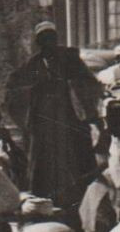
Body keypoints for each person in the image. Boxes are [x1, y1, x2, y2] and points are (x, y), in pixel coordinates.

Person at [6, 21, 104, 209]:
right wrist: (36, 92)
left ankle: (82, 204)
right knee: (45, 165)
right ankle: (48, 202)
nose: (48, 43)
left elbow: (88, 84)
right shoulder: (33, 65)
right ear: (39, 42)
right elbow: (15, 89)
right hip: (44, 126)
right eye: (44, 39)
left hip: (70, 121)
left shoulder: (69, 58)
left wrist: (74, 89)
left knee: (77, 162)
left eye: (51, 38)